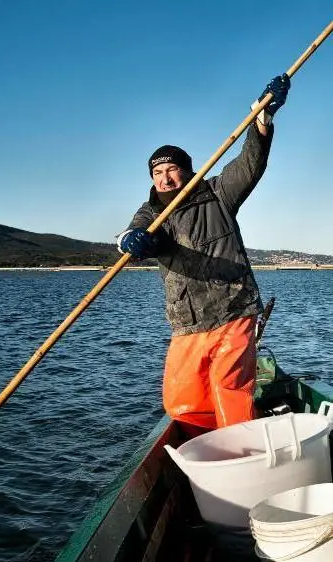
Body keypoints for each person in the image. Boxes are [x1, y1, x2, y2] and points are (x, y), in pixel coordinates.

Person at [116, 74, 291, 436]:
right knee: (183, 400)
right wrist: (133, 242)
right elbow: (132, 236)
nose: (164, 178)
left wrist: (261, 118)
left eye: (171, 169)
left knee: (229, 389)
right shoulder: (150, 212)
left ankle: (242, 455)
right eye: (157, 172)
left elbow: (249, 163)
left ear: (186, 170)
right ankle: (206, 451)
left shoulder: (217, 194)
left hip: (233, 309)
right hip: (187, 320)